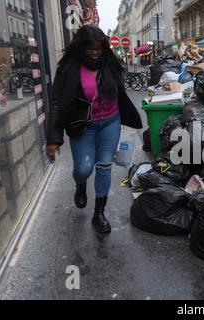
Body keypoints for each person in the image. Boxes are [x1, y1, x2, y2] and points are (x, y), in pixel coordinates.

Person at [46, 25, 142, 234]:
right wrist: (53, 138)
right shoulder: (69, 68)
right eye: (91, 49)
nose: (95, 52)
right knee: (83, 168)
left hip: (110, 123)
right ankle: (80, 185)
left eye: (99, 48)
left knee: (104, 166)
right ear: (81, 48)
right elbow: (57, 102)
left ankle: (99, 213)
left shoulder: (110, 64)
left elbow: (120, 93)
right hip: (83, 127)